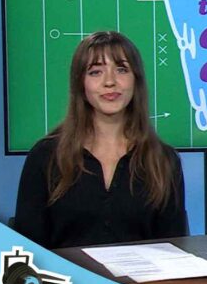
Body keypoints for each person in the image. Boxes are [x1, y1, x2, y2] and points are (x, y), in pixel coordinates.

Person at [13, 31, 188, 248]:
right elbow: (26, 252)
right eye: (96, 72)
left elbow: (174, 251)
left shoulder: (163, 160)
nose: (110, 82)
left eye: (121, 69)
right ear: (80, 83)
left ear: (136, 80)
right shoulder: (46, 156)